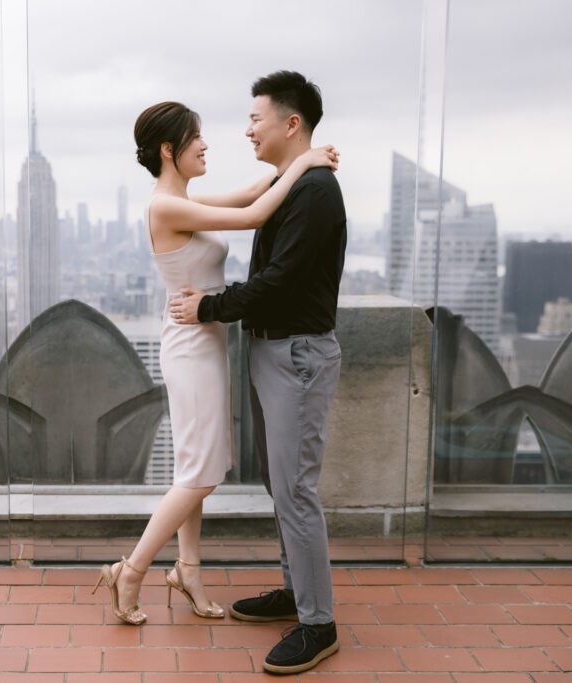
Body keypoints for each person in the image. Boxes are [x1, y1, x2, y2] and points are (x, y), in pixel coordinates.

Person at [91, 100, 338, 627]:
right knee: (201, 475)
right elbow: (253, 216)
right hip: (190, 348)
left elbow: (253, 194)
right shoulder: (165, 207)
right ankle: (130, 571)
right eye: (195, 137)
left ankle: (189, 571)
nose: (205, 144)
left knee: (194, 467)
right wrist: (306, 161)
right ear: (168, 149)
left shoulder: (186, 200)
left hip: (205, 343)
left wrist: (301, 159)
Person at [168, 71, 347, 675]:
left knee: (295, 488)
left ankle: (318, 624)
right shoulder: (291, 182)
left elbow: (279, 282)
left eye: (255, 119)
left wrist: (208, 308)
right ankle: (297, 593)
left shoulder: (315, 192)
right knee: (280, 483)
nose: (247, 130)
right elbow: (250, 208)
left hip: (298, 355)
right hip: (275, 352)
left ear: (290, 123)